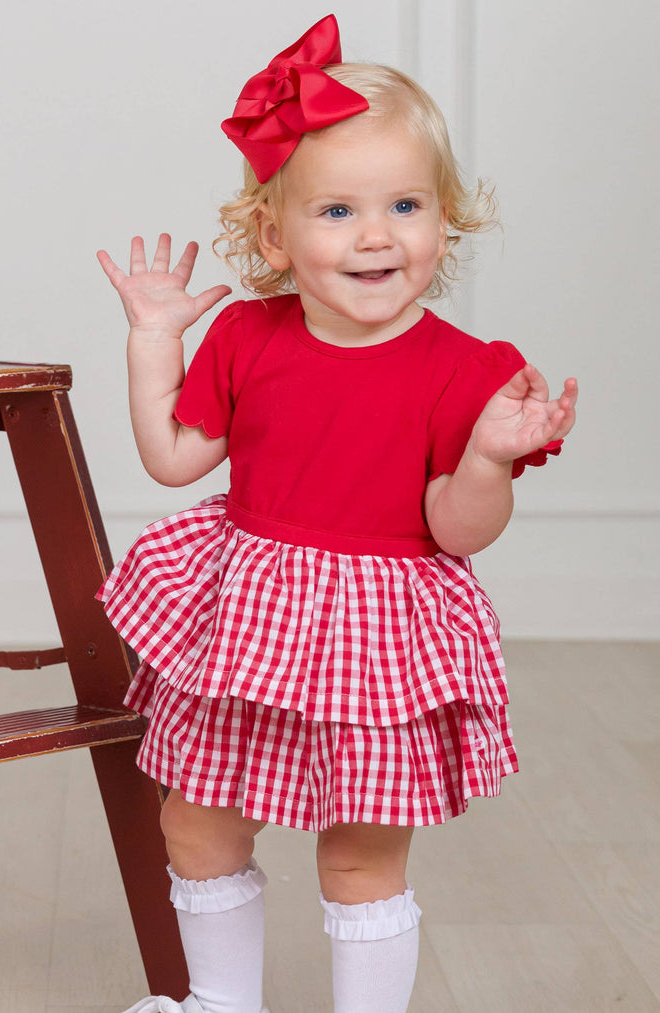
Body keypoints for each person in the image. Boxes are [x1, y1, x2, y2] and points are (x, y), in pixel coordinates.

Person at [96, 14, 577, 1013]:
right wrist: (153, 342)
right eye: (337, 210)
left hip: (378, 638)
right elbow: (173, 457)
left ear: (443, 219)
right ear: (274, 235)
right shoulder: (247, 336)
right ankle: (220, 1001)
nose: (376, 234)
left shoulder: (465, 371)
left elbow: (457, 528)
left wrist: (488, 457)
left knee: (360, 854)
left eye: (405, 204)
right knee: (197, 820)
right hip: (251, 624)